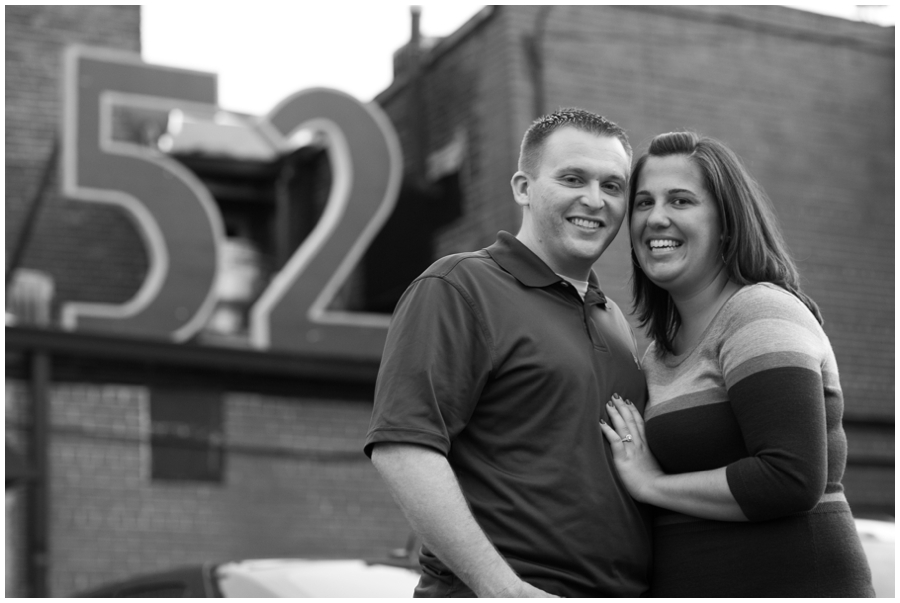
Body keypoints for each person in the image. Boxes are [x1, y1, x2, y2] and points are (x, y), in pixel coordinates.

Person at [364, 108, 652, 597]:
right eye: (573, 178)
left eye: (613, 185)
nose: (594, 199)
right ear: (523, 186)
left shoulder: (615, 322)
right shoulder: (459, 286)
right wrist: (504, 589)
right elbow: (403, 449)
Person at [599, 131, 875, 597]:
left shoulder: (759, 312)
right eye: (643, 203)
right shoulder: (657, 355)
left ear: (726, 223)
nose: (656, 218)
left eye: (681, 200)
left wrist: (651, 484)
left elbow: (791, 477)